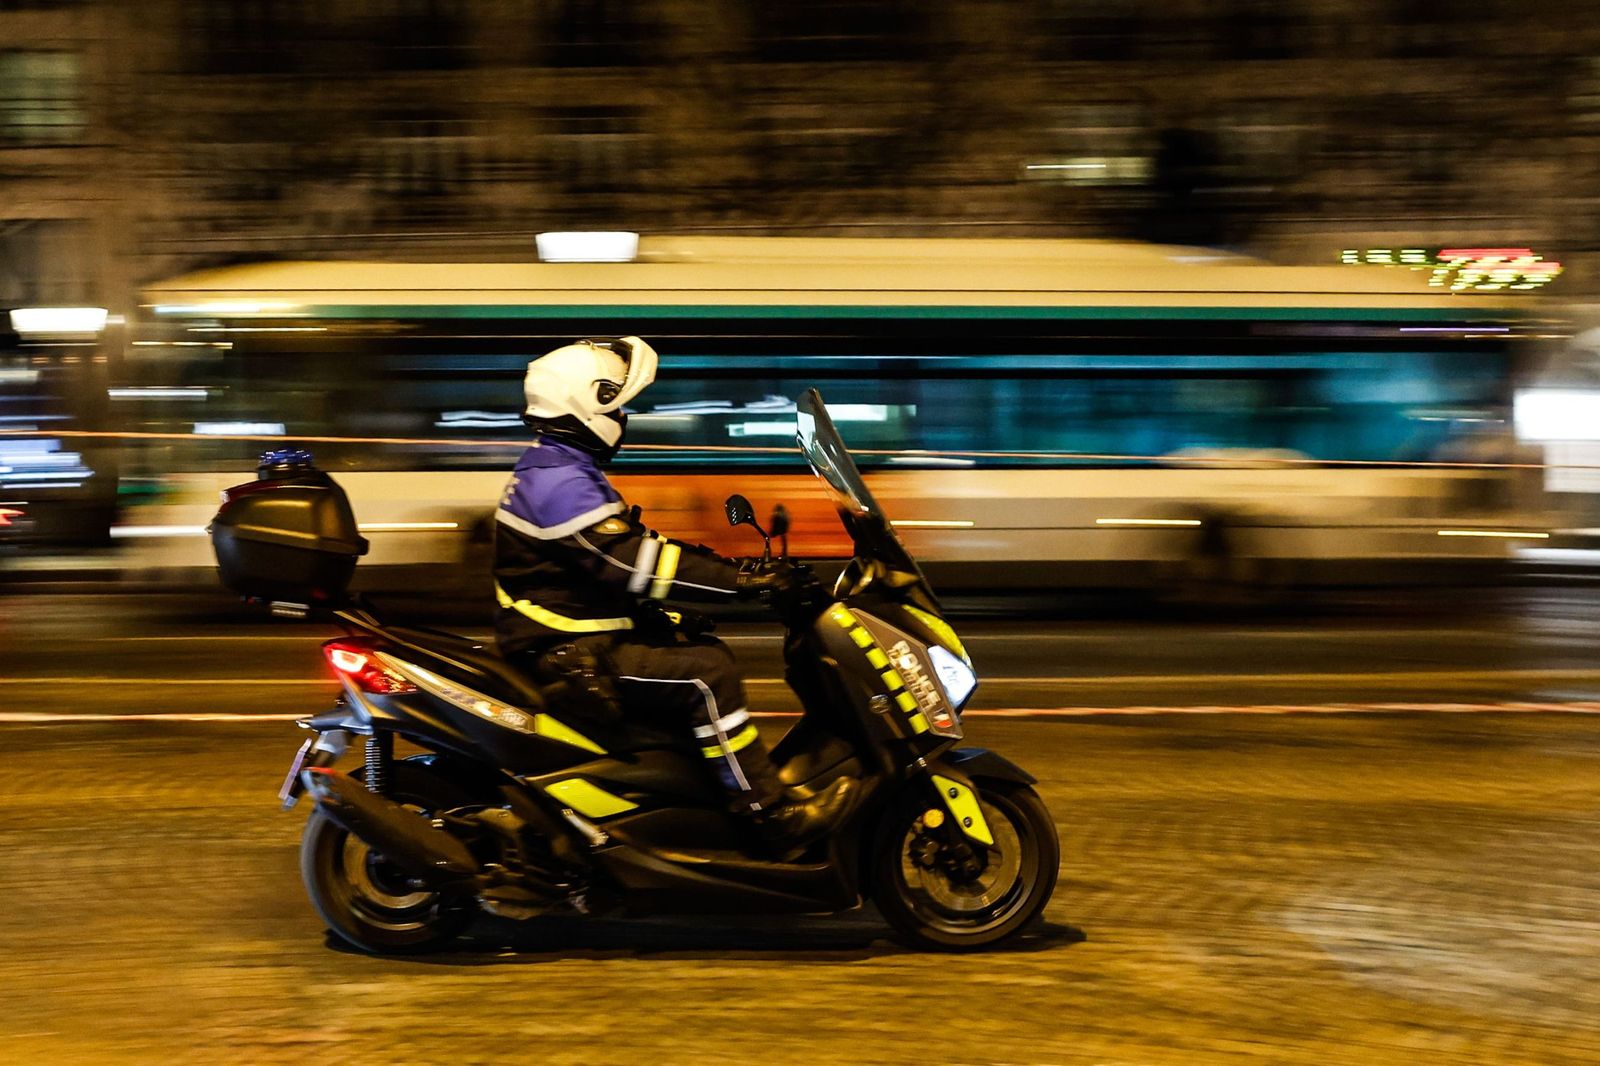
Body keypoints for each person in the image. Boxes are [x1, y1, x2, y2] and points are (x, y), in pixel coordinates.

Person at [493, 336, 856, 853]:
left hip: (570, 637)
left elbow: (630, 552)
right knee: (709, 676)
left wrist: (733, 569)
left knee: (698, 647)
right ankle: (769, 814)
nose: (624, 417)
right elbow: (633, 564)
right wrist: (743, 583)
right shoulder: (559, 481)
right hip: (565, 651)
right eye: (617, 404)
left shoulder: (557, 469)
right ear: (586, 403)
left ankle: (697, 803)